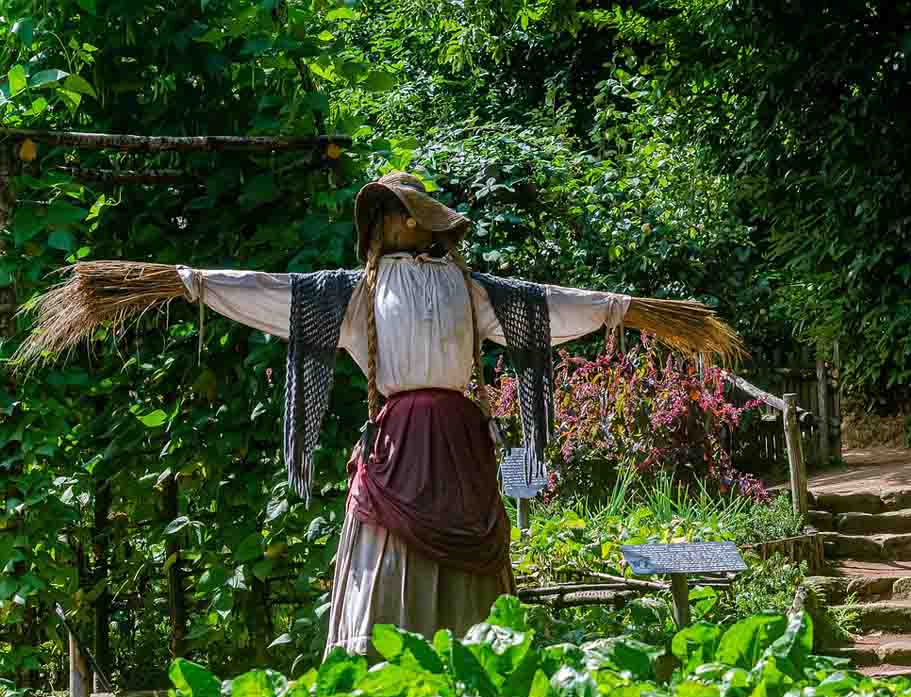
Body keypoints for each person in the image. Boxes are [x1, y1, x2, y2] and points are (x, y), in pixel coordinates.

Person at [173, 173, 633, 658]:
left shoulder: (471, 288)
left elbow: (545, 303)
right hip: (398, 445)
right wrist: (195, 282)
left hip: (459, 446)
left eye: (398, 210)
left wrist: (615, 308)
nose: (392, 222)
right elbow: (275, 291)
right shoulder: (354, 291)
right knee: (387, 554)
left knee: (470, 566)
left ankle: (474, 659)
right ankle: (378, 661)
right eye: (387, 213)